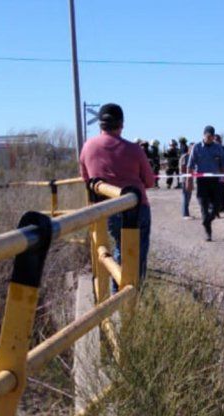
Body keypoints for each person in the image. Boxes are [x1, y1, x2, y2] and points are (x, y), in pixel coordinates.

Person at [79, 103, 155, 292]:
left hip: (107, 210)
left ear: (100, 124)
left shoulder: (88, 147)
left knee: (118, 250)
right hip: (137, 209)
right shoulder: (134, 149)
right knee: (136, 257)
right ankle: (131, 299)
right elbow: (150, 181)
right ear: (121, 124)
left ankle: (117, 295)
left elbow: (86, 180)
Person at [186, 125, 224, 241]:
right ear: (204, 135)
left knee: (217, 206)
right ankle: (208, 233)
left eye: (212, 136)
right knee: (203, 206)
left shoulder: (218, 148)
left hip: (215, 181)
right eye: (208, 136)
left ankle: (207, 220)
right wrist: (188, 181)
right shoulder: (197, 147)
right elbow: (190, 166)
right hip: (202, 182)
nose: (210, 138)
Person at [179, 142, 193, 219]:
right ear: (189, 149)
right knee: (185, 196)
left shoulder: (191, 157)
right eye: (193, 148)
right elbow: (183, 168)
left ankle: (187, 213)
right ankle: (185, 214)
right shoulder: (185, 157)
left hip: (190, 178)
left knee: (188, 196)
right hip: (185, 179)